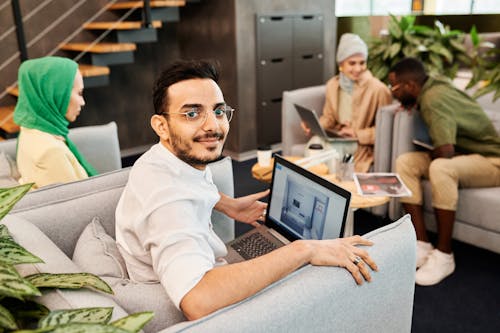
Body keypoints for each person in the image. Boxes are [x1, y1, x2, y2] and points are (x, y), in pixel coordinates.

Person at [115, 59, 378, 320]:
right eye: (192, 113)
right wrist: (303, 249)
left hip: (202, 271)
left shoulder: (162, 161)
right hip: (213, 314)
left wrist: (228, 205)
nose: (212, 126)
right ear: (161, 126)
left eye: (218, 111)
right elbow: (197, 300)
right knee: (327, 284)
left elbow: (188, 186)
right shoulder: (167, 202)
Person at [389, 57, 500, 286]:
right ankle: (421, 243)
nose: (392, 92)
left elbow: (446, 151)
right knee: (405, 162)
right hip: (466, 154)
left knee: (441, 166)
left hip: (492, 160)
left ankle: (444, 255)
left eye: (395, 87)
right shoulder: (431, 87)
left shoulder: (433, 99)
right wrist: (412, 104)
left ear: (410, 86)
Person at [302, 33, 392, 172]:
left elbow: (386, 131)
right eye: (352, 63)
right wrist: (314, 125)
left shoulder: (378, 89)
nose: (358, 69)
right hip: (338, 137)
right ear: (341, 64)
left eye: (362, 63)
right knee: (313, 144)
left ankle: (331, 191)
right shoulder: (332, 85)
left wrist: (356, 133)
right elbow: (329, 118)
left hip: (360, 144)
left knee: (332, 153)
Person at [14, 56, 97, 189]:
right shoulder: (51, 152)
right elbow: (79, 204)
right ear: (57, 94)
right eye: (79, 93)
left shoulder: (29, 130)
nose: (83, 102)